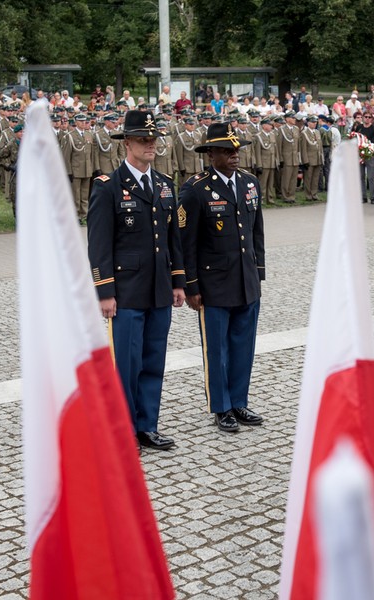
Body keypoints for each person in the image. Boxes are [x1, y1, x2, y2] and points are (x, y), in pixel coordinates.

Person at [87, 110, 185, 450]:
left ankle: (147, 425)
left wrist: (178, 281)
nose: (150, 145)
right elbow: (99, 244)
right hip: (126, 291)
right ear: (127, 143)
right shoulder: (108, 186)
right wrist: (104, 291)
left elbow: (173, 239)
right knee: (126, 365)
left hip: (159, 288)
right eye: (143, 140)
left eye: (153, 139)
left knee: (153, 360)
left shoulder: (164, 184)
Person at [178, 121, 265, 433]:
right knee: (217, 350)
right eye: (227, 150)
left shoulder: (250, 183)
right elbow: (186, 243)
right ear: (211, 154)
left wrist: (258, 272)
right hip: (213, 284)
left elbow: (256, 232)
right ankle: (221, 406)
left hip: (245, 281)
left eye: (236, 149)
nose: (234, 155)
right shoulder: (195, 189)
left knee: (243, 346)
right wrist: (191, 286)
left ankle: (239, 401)